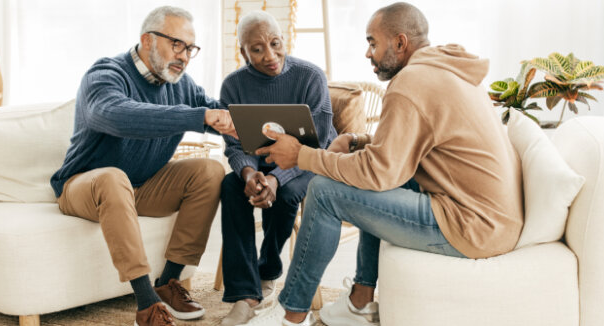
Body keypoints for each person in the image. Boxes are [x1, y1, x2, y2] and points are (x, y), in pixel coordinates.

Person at [243, 2, 524, 325]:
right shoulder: (445, 70)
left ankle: (291, 316)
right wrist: (356, 141)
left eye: (372, 43)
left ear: (400, 43)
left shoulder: (411, 82)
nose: (368, 53)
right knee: (361, 180)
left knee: (323, 191)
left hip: (472, 226)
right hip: (494, 219)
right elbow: (407, 148)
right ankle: (361, 303)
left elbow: (378, 172)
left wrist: (302, 156)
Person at [50, 6, 236, 326]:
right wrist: (197, 116)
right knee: (112, 177)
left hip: (142, 187)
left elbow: (217, 113)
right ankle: (146, 303)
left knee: (210, 170)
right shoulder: (106, 74)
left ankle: (168, 283)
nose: (185, 56)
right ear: (147, 40)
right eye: (177, 44)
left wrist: (264, 122)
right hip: (85, 186)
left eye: (190, 48)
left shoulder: (182, 84)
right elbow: (114, 114)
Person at [217, 10, 337, 326]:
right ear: (243, 52)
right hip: (256, 162)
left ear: (284, 39)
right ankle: (245, 295)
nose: (270, 56)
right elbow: (233, 144)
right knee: (229, 187)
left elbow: (319, 142)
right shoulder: (233, 86)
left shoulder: (311, 77)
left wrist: (274, 178)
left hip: (308, 163)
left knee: (284, 194)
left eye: (275, 43)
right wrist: (247, 174)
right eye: (257, 49)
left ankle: (268, 270)